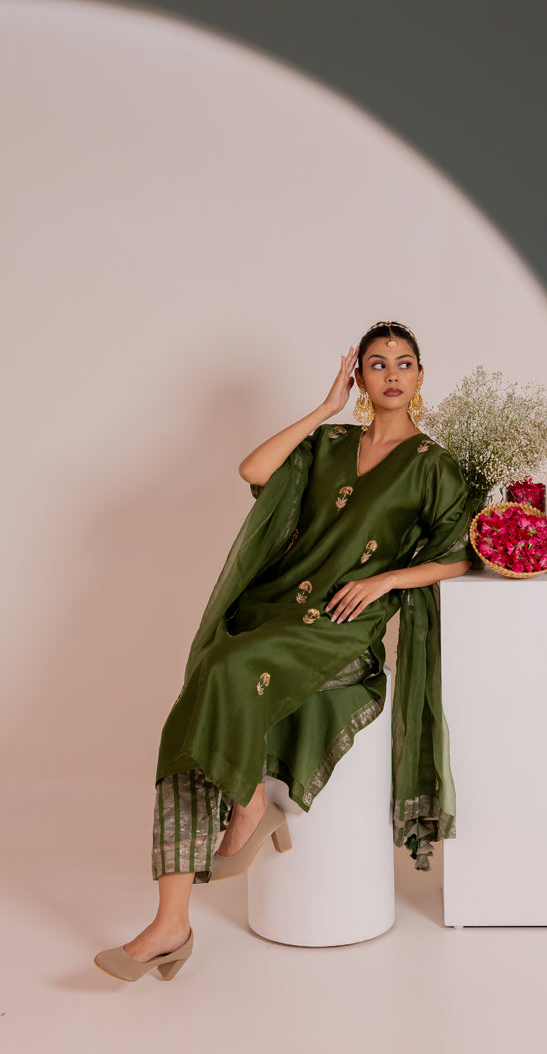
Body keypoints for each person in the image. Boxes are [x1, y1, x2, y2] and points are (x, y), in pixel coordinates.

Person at [94, 321, 473, 982]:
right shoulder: (330, 442)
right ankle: (172, 918)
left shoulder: (432, 464)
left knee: (224, 670)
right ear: (357, 376)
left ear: (420, 376)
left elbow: (457, 555)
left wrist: (385, 579)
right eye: (376, 363)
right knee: (198, 701)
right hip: (276, 606)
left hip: (342, 624)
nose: (391, 374)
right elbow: (254, 470)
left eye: (404, 363)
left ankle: (240, 819)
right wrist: (326, 407)